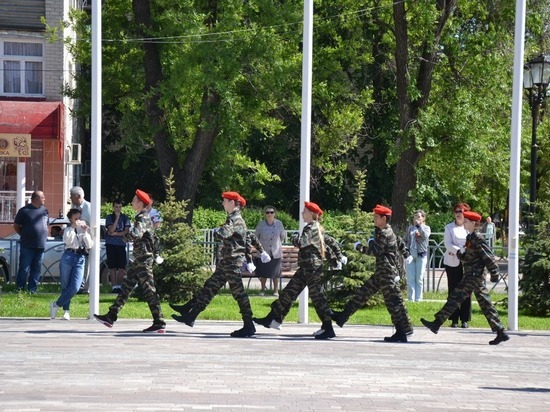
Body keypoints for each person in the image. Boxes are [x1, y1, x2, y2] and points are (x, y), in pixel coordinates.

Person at [253, 201, 345, 340]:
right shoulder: (314, 227)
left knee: (317, 298)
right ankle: (273, 318)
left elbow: (301, 243)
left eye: (304, 211)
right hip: (307, 268)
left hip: (311, 269)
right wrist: (336, 257)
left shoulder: (311, 228)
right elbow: (327, 242)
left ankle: (330, 325)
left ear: (311, 214)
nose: (302, 213)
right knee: (289, 293)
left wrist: (294, 237)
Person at [170, 191, 256, 338]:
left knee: (239, 294)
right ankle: (191, 315)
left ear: (231, 202)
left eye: (224, 201)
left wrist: (217, 230)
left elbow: (222, 234)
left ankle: (249, 325)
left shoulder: (235, 219)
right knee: (210, 286)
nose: (223, 204)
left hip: (232, 263)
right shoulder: (233, 218)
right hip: (227, 262)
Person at [421, 211, 510, 345]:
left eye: (466, 221)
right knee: (485, 304)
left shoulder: (477, 237)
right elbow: (470, 256)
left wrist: (494, 273)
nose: (464, 223)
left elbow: (488, 256)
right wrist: (459, 254)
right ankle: (501, 331)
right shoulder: (470, 237)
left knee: (456, 297)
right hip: (472, 275)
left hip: (474, 275)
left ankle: (437, 323)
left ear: (474, 224)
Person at [330, 204, 413, 343]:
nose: (374, 219)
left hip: (386, 273)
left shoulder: (385, 233)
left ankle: (401, 331)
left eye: (376, 216)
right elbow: (395, 244)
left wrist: (359, 247)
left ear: (384, 219)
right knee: (363, 294)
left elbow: (375, 251)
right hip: (382, 272)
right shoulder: (383, 231)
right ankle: (342, 317)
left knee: (393, 302)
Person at [94, 189, 166, 333]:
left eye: (134, 200)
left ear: (140, 203)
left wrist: (125, 237)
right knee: (126, 288)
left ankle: (159, 321)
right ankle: (111, 315)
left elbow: (136, 233)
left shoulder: (143, 218)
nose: (132, 202)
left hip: (143, 260)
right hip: (139, 260)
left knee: (149, 290)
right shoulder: (141, 216)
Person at [49, 208, 93, 320]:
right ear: (71, 219)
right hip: (68, 256)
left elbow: (89, 245)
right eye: (76, 218)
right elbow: (68, 241)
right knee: (66, 285)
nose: (78, 220)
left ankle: (55, 305)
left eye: (79, 218)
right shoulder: (68, 230)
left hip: (80, 258)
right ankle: (66, 311)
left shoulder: (84, 229)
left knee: (75, 287)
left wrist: (84, 232)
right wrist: (74, 227)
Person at [13, 191, 49, 293]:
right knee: (24, 268)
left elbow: (46, 225)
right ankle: (19, 289)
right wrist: (24, 235)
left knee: (36, 269)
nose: (44, 199)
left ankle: (33, 289)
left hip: (40, 245)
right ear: (36, 198)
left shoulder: (45, 210)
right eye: (43, 197)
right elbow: (16, 226)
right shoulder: (24, 210)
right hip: (27, 245)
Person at [443, 202, 471, 328]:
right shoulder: (449, 227)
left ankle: (464, 319)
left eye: (461, 212)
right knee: (453, 290)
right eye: (457, 212)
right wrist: (459, 251)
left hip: (467, 263)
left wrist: (466, 252)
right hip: (452, 262)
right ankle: (454, 319)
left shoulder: (468, 227)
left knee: (466, 291)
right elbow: (447, 244)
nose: (459, 214)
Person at [255, 206, 286, 296]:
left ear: (274, 213)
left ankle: (276, 291)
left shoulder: (279, 223)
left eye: (271, 212)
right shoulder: (261, 224)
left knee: (275, 273)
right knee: (264, 272)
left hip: (275, 252)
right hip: (264, 252)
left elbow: (282, 236)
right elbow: (256, 236)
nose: (269, 214)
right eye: (267, 212)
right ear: (265, 214)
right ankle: (262, 290)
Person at [404, 210, 431, 302]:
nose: (417, 218)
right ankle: (411, 299)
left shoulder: (426, 228)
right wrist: (406, 252)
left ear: (423, 218)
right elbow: (406, 240)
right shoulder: (410, 228)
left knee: (419, 278)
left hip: (421, 255)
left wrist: (419, 226)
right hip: (411, 255)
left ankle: (418, 299)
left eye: (419, 217)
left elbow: (425, 236)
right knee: (410, 278)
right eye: (415, 216)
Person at [105, 199, 131, 293]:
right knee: (112, 267)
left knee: (121, 267)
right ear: (113, 207)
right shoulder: (109, 217)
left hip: (121, 244)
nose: (118, 209)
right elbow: (110, 229)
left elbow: (126, 231)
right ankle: (114, 286)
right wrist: (116, 218)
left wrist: (115, 234)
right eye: (116, 207)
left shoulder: (125, 218)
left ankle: (119, 286)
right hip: (111, 244)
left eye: (120, 207)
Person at [70, 186, 91, 293]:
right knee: (78, 264)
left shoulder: (88, 207)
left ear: (78, 196)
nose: (70, 198)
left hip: (87, 241)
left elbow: (93, 225)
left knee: (87, 266)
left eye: (71, 196)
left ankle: (86, 288)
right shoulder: (73, 207)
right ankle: (78, 286)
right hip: (76, 242)